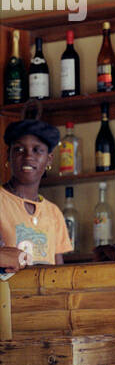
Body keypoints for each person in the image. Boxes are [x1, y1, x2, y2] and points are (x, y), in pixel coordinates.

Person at [0, 114, 72, 278]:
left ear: (49, 159)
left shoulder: (53, 213)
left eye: (37, 150)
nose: (28, 156)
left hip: (45, 301)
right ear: (8, 155)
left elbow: (58, 273)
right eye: (19, 149)